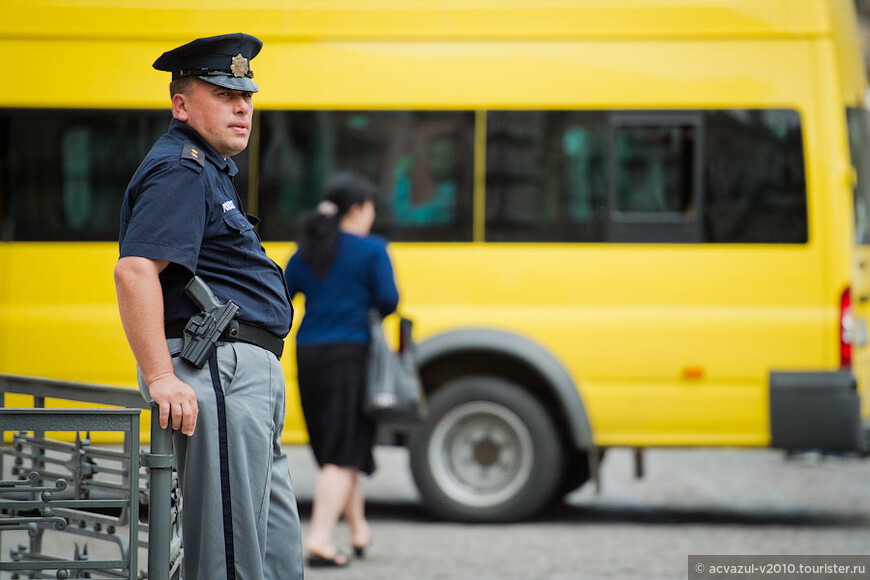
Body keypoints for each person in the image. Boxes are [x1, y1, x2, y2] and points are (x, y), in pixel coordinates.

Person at [114, 33, 304, 580]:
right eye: (223, 94)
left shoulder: (207, 167)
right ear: (181, 105)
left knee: (271, 555)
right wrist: (159, 376)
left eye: (246, 96)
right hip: (218, 368)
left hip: (243, 376)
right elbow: (134, 271)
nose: (242, 107)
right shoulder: (183, 167)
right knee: (228, 558)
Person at [285, 172, 399, 567]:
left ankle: (358, 529)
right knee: (343, 449)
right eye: (370, 208)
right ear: (357, 209)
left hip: (309, 354)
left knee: (335, 443)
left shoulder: (307, 250)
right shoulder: (372, 251)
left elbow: (285, 293)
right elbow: (388, 300)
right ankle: (318, 537)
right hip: (349, 355)